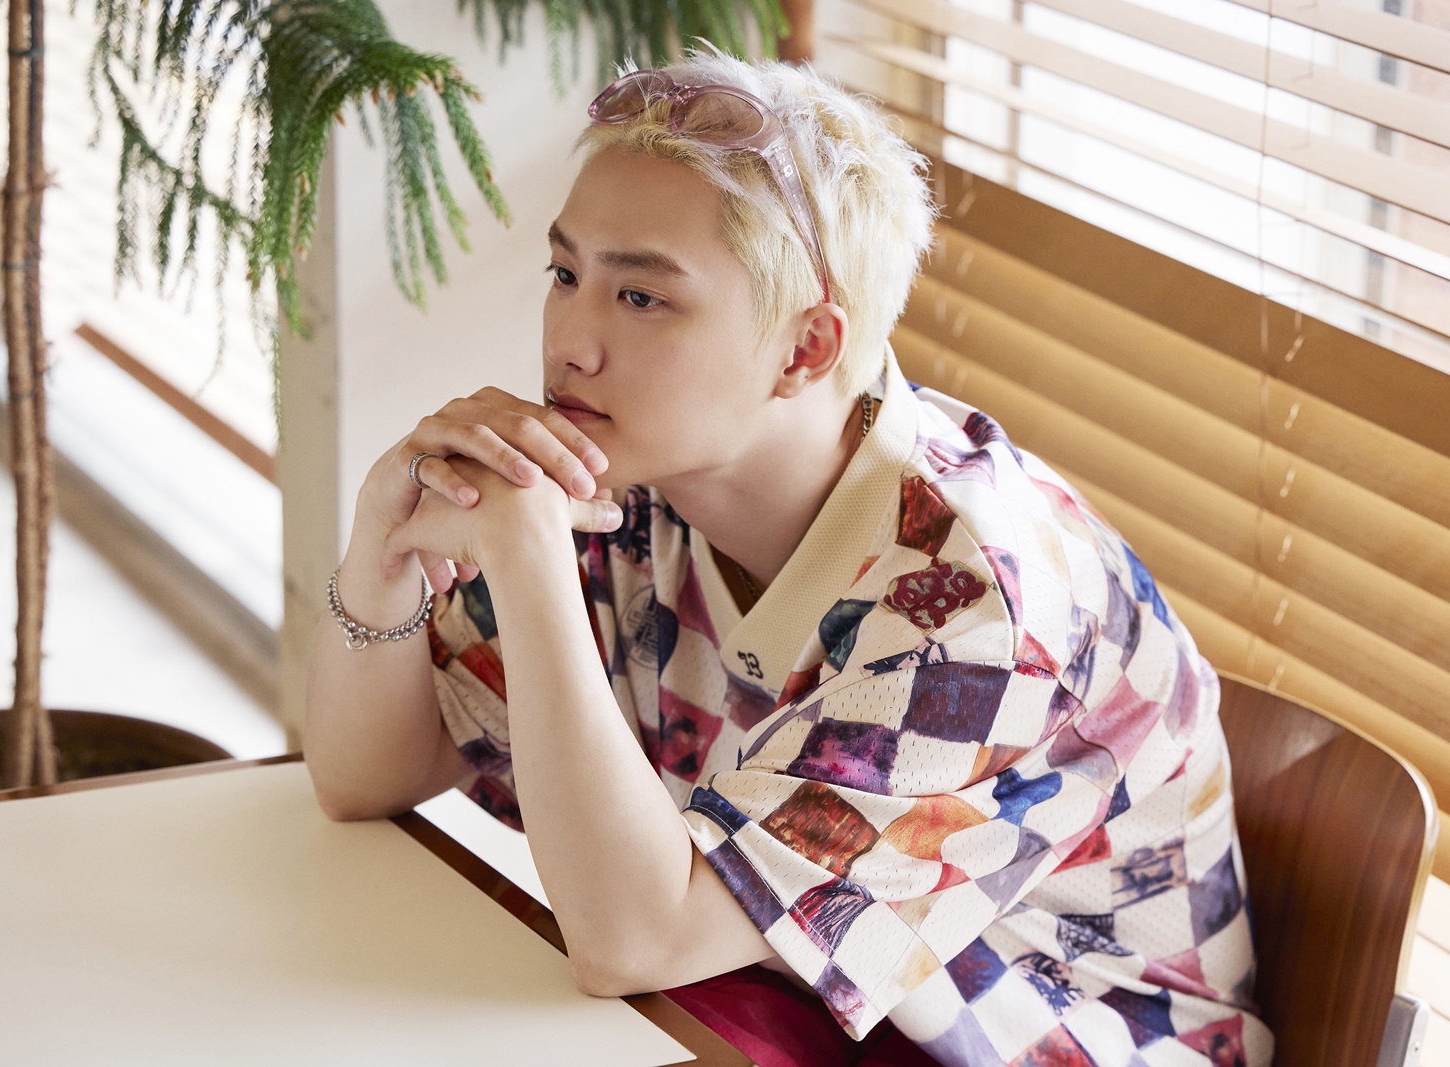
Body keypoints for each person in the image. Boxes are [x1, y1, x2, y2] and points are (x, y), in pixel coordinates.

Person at [304, 51, 1273, 1067]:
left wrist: (525, 557)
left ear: (805, 349)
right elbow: (366, 777)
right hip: (788, 999)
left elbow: (633, 940)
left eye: (641, 297)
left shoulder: (981, 615)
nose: (570, 344)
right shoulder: (636, 482)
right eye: (566, 274)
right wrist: (383, 544)